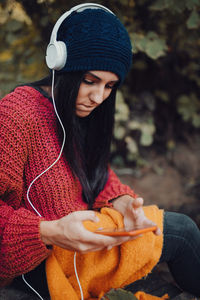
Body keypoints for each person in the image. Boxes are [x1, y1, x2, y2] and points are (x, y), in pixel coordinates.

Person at [0, 3, 200, 300]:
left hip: (87, 247)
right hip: (41, 264)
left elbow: (96, 172)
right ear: (60, 64)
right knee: (181, 231)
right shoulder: (17, 115)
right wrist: (50, 231)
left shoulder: (84, 113)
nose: (98, 97)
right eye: (90, 81)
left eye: (109, 86)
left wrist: (122, 203)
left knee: (178, 235)